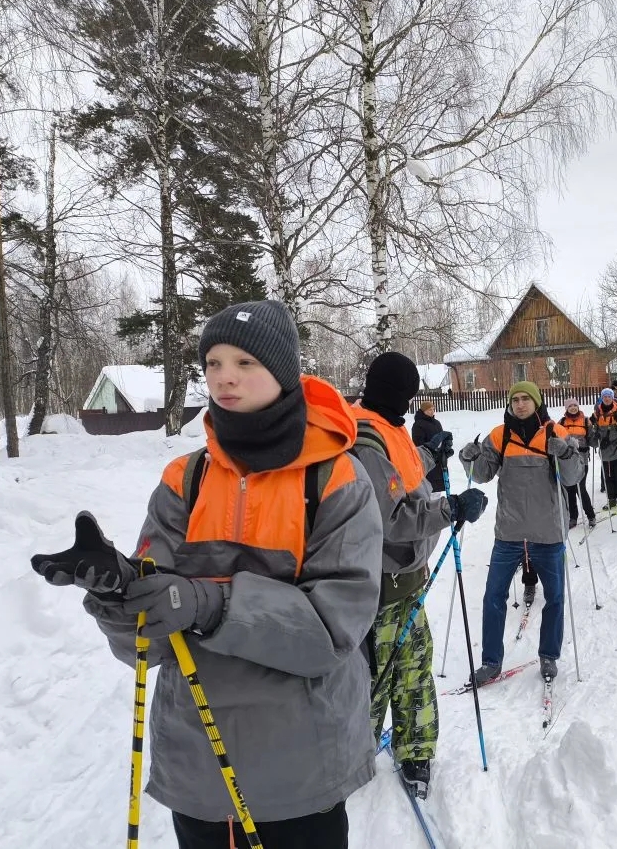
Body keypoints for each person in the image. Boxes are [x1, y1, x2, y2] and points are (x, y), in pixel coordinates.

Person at [30, 299, 383, 849]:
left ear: (284, 372)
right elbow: (150, 645)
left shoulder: (335, 479)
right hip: (197, 766)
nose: (224, 377)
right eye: (213, 362)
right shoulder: (185, 477)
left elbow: (332, 631)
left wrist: (207, 603)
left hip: (300, 772)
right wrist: (121, 593)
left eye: (245, 362)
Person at [352, 352, 487, 800]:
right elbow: (392, 518)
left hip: (407, 581)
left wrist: (430, 453)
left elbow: (403, 474)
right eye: (409, 394)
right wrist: (452, 508)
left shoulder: (388, 427)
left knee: (414, 670)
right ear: (399, 393)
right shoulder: (365, 440)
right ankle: (353, 756)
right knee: (376, 678)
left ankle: (415, 752)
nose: (411, 402)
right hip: (379, 587)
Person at [458, 381, 583, 683]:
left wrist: (567, 453)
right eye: (515, 400)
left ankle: (549, 655)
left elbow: (573, 478)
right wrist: (469, 458)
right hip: (509, 533)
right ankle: (491, 662)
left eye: (526, 399)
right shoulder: (500, 435)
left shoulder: (555, 432)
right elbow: (481, 475)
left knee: (555, 598)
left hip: (548, 532)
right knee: (492, 597)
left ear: (536, 402)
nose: (520, 404)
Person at [558, 397, 596, 529]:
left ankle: (591, 516)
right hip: (567, 461)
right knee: (570, 489)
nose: (573, 408)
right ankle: (572, 517)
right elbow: (558, 440)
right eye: (570, 406)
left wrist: (596, 435)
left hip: (582, 460)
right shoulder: (561, 422)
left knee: (581, 488)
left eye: (575, 405)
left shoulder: (586, 421)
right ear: (566, 409)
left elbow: (592, 440)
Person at [591, 388, 617, 511]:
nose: (607, 398)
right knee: (608, 477)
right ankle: (611, 499)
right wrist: (594, 430)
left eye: (609, 396)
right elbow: (594, 431)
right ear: (602, 398)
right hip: (605, 450)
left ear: (612, 398)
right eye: (605, 397)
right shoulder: (597, 412)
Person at [411, 399, 448, 493]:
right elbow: (418, 444)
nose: (432, 411)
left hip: (439, 459)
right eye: (429, 410)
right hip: (427, 459)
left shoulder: (437, 423)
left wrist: (445, 447)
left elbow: (441, 437)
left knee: (438, 488)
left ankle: (437, 501)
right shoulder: (418, 425)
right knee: (430, 488)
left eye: (433, 409)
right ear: (423, 411)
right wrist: (431, 448)